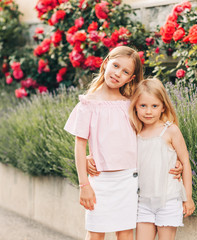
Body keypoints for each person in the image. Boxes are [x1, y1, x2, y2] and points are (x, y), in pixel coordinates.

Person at [64, 46, 144, 240]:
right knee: (95, 232)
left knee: (125, 233)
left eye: (125, 72)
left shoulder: (131, 104)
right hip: (100, 181)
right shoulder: (88, 104)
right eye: (115, 66)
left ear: (131, 78)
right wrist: (84, 185)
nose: (118, 74)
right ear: (105, 63)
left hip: (128, 179)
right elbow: (80, 145)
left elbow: (147, 136)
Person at [129, 78, 195, 240]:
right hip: (142, 202)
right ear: (135, 107)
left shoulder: (171, 131)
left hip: (169, 200)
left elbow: (185, 162)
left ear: (163, 107)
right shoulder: (134, 132)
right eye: (143, 106)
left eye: (154, 106)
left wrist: (188, 197)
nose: (148, 111)